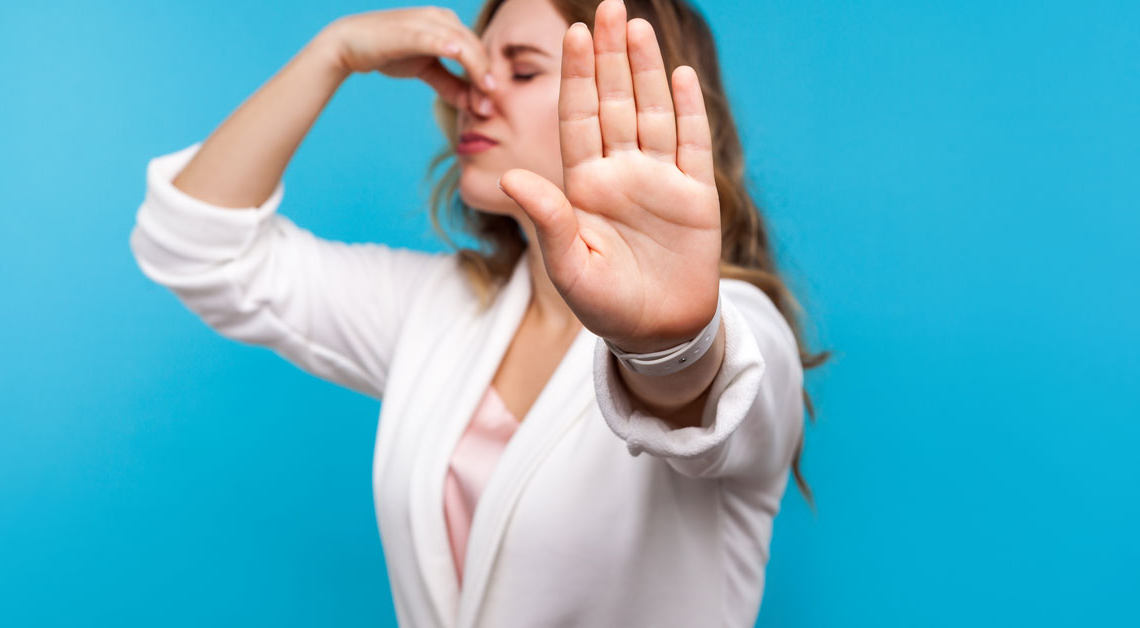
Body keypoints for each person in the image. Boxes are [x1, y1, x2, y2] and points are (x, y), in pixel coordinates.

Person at [129, 0, 831, 626]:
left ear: (624, 98)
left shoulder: (740, 324)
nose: (475, 93)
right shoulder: (441, 312)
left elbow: (710, 395)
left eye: (522, 72)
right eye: (473, 65)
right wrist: (334, 52)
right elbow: (198, 248)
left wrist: (665, 342)